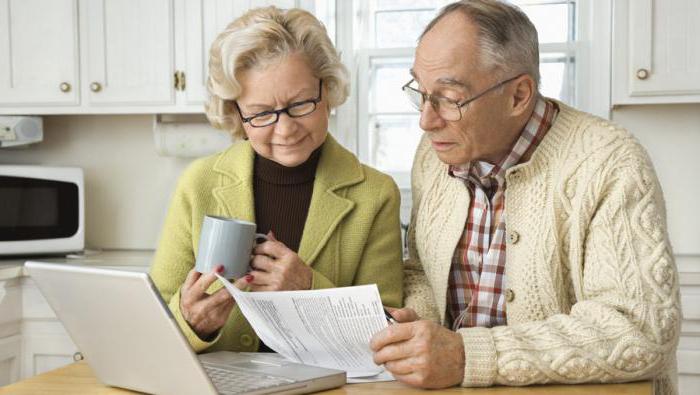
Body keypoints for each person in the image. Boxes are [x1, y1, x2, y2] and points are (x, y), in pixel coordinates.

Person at [370, 1, 681, 393]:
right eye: (421, 92)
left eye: (449, 98)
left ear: (518, 95)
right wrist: (420, 327)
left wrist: (466, 356)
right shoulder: (434, 154)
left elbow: (639, 330)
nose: (426, 121)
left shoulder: (610, 161)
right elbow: (420, 270)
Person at [150, 6, 403, 353]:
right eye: (262, 114)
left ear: (326, 90)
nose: (285, 129)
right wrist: (192, 323)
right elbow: (154, 324)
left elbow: (389, 330)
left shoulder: (376, 194)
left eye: (300, 104)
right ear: (236, 114)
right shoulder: (199, 183)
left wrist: (309, 288)